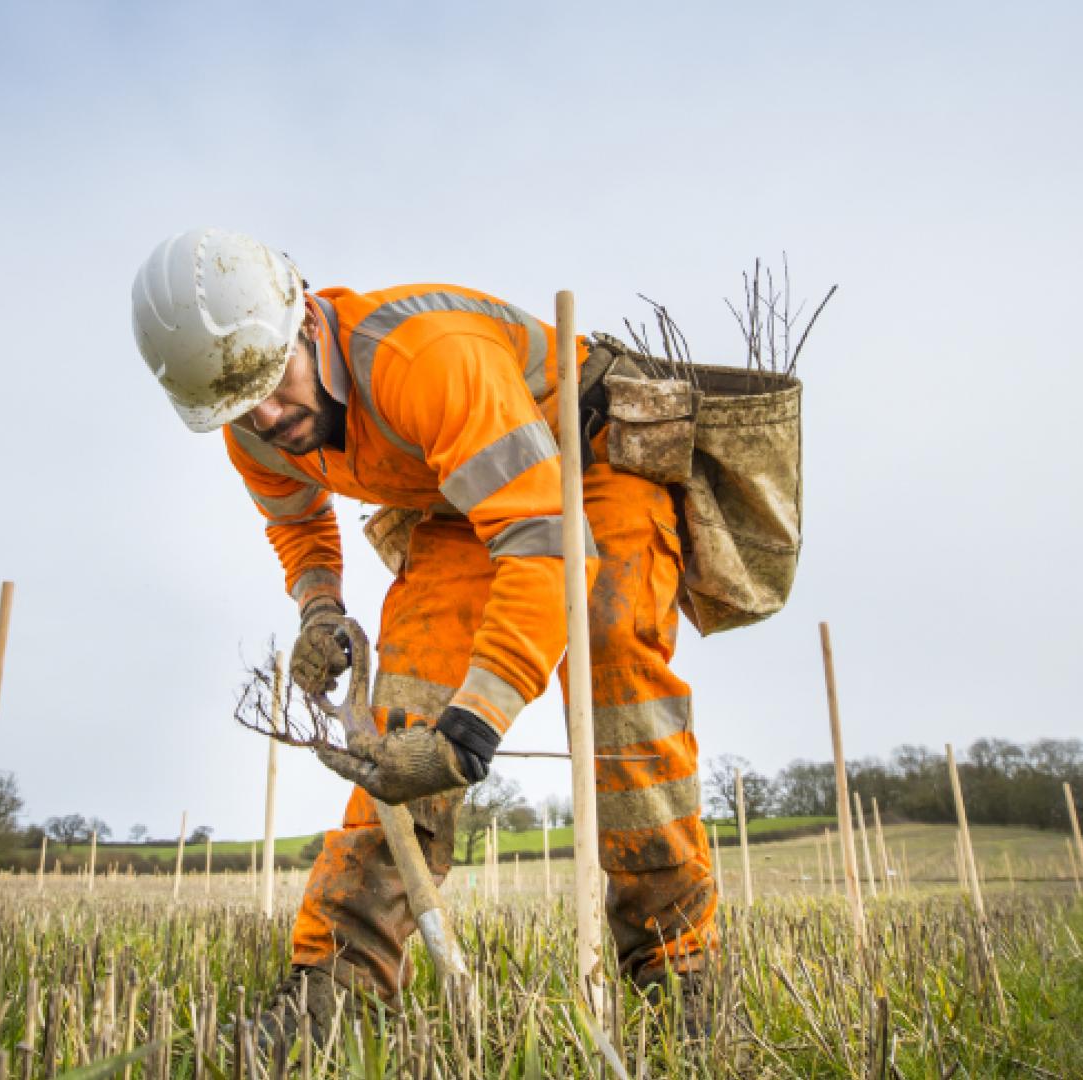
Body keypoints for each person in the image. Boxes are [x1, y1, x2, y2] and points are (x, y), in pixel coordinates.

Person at [131, 228, 714, 1041]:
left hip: (590, 464)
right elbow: (298, 525)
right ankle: (333, 986)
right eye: (238, 407)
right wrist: (321, 608)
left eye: (271, 384)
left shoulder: (419, 359)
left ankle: (676, 972)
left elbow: (544, 537)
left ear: (304, 321)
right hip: (454, 501)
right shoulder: (252, 427)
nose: (267, 416)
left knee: (617, 669)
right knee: (403, 711)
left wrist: (473, 724)